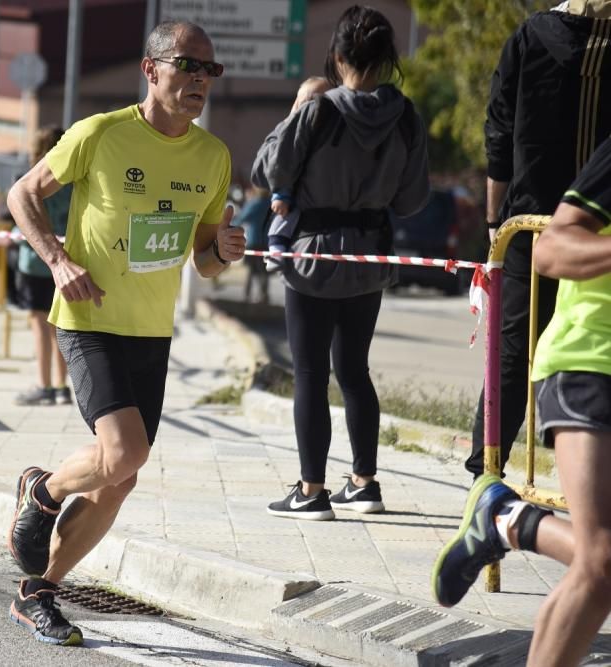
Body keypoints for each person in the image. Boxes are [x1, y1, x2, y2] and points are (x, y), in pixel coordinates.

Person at [3, 20, 244, 645]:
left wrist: (224, 251)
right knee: (125, 455)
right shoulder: (100, 133)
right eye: (188, 66)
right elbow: (22, 193)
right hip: (88, 319)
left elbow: (204, 263)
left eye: (209, 71)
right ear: (151, 69)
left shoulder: (212, 157)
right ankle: (45, 492)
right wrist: (57, 260)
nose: (200, 81)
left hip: (150, 332)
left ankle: (40, 591)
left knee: (123, 477)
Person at [432, 135, 611, 666]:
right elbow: (553, 247)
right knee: (601, 563)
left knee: (600, 567)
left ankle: (507, 519)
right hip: (591, 361)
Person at [252, 4, 429, 521]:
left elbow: (266, 171)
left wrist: (294, 111)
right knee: (354, 371)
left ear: (336, 55)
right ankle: (365, 483)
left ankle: (311, 490)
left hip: (312, 256)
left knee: (310, 372)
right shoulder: (407, 116)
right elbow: (412, 199)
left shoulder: (319, 110)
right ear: (388, 58)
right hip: (370, 255)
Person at [464, 0, 611, 480]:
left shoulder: (530, 36)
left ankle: (485, 473)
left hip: (529, 224)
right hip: (599, 228)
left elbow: (499, 132)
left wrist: (493, 223)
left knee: (512, 352)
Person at [12, 127, 73, 406]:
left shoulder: (33, 180)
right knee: (60, 327)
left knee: (40, 326)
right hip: (66, 262)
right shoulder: (71, 181)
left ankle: (44, 385)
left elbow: (19, 213)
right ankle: (62, 387)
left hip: (35, 262)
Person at [265, 76, 333, 270]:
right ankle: (276, 248)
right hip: (292, 201)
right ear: (297, 104)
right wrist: (281, 194)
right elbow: (281, 165)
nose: (314, 107)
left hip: (319, 217)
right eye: (308, 101)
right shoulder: (289, 133)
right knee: (283, 219)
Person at [233, 186, 271, 303]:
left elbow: (242, 218)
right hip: (267, 242)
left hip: (254, 241)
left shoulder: (255, 203)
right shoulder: (271, 204)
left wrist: (230, 224)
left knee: (251, 270)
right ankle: (264, 296)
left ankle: (246, 296)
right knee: (264, 271)